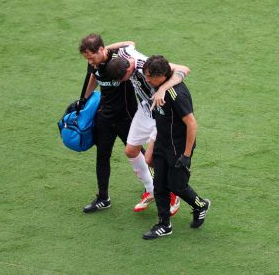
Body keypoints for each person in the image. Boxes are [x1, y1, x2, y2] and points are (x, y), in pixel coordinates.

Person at [106, 48, 190, 215]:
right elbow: (128, 43)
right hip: (145, 110)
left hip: (160, 115)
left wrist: (162, 89)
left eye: (123, 79)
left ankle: (173, 194)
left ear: (129, 70)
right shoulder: (124, 55)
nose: (122, 82)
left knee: (153, 159)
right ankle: (151, 190)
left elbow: (184, 69)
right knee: (131, 151)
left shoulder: (145, 66)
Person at [78, 33, 155, 213]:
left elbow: (131, 42)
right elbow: (94, 77)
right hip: (104, 116)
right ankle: (103, 197)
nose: (90, 62)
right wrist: (83, 99)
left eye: (92, 57)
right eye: (87, 59)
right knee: (102, 156)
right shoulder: (94, 63)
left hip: (126, 117)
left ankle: (151, 187)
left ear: (101, 50)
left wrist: (109, 49)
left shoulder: (120, 60)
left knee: (139, 153)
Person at [138, 55, 211, 240]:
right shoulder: (158, 86)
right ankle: (164, 224)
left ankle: (200, 205)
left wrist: (186, 155)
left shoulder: (176, 94)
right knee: (159, 185)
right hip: (162, 143)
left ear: (162, 75)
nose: (146, 80)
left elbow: (192, 124)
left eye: (149, 76)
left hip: (178, 147)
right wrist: (153, 144)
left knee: (177, 185)